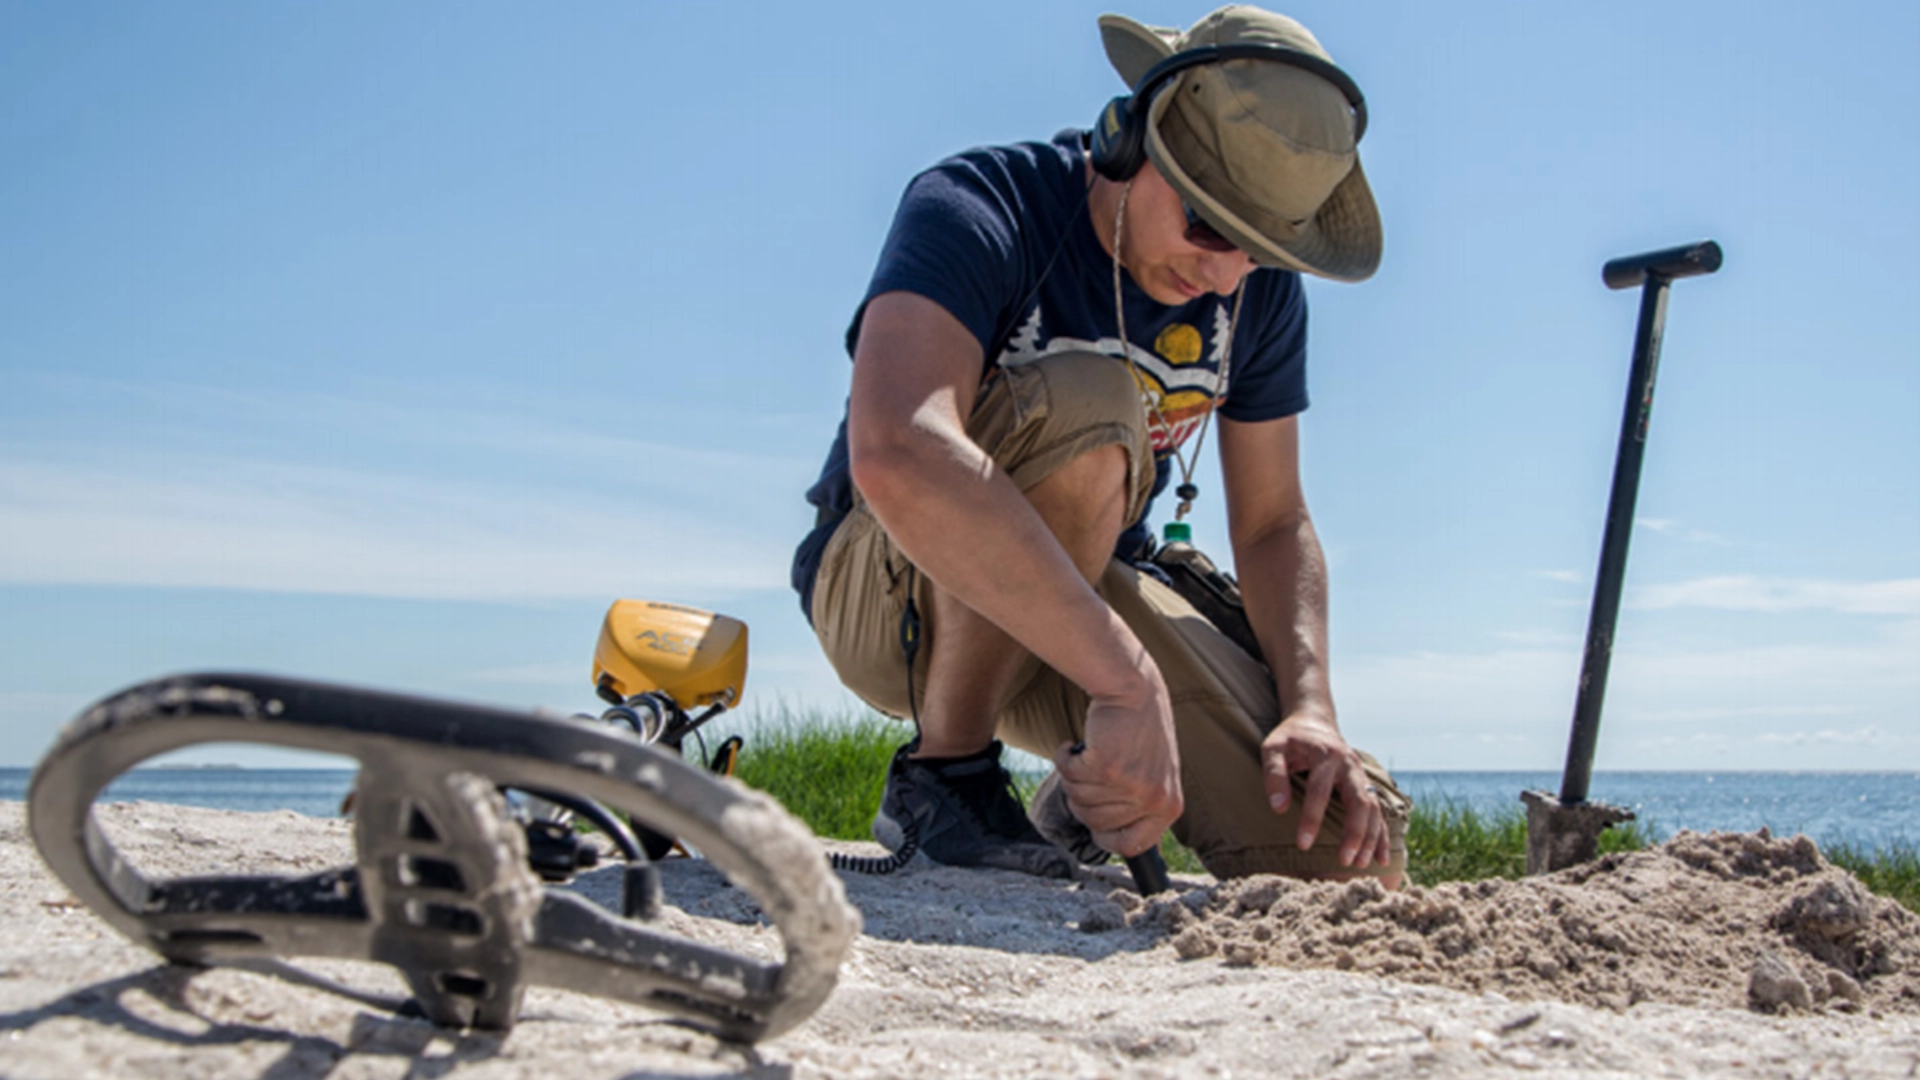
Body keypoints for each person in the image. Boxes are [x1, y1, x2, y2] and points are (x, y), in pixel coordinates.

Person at [791, 5, 1410, 884]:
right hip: (890, 591)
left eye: (1262, 252)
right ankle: (948, 780)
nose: (1225, 274)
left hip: (1080, 604)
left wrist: (1311, 708)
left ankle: (1075, 809)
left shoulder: (1252, 295)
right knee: (1095, 408)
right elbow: (896, 448)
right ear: (1130, 141)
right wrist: (1126, 680)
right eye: (1208, 228)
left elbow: (1273, 522)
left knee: (1345, 844)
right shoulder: (980, 203)